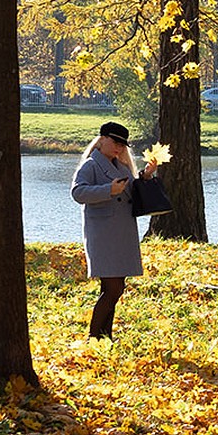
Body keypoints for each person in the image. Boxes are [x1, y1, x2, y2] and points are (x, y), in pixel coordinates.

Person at [70, 122, 158, 339]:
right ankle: (94, 336)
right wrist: (108, 190)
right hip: (103, 233)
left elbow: (132, 193)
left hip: (121, 232)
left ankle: (104, 336)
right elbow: (78, 192)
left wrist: (145, 176)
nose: (118, 148)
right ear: (101, 140)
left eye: (122, 144)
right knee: (113, 289)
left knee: (112, 288)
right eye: (115, 142)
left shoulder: (122, 167)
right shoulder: (90, 166)